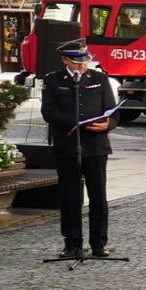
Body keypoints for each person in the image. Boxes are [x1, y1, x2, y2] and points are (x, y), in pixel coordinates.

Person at [40, 39, 117, 260]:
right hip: (68, 146)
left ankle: (99, 243)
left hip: (96, 147)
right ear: (65, 60)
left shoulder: (100, 79)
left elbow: (113, 112)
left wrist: (108, 124)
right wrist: (78, 121)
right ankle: (72, 243)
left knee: (98, 197)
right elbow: (49, 112)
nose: (82, 66)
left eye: (85, 61)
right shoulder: (53, 81)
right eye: (76, 62)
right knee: (69, 197)